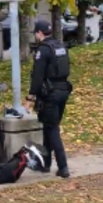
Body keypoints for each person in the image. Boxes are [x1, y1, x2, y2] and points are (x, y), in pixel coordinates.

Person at [27, 19, 73, 178]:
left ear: (39, 33)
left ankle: (63, 166)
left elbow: (38, 76)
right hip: (63, 90)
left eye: (36, 33)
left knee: (52, 130)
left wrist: (30, 97)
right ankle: (45, 163)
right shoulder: (60, 46)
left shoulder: (43, 50)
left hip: (50, 94)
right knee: (49, 127)